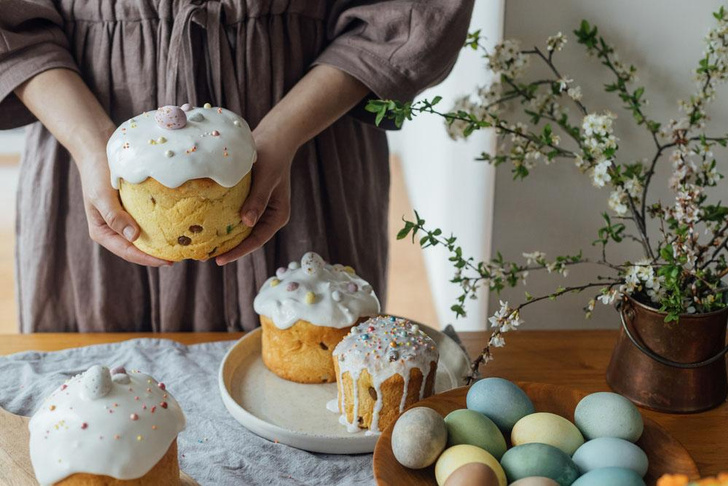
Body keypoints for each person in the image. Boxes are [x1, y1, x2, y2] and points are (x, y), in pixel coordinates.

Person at [0, 0, 474, 333]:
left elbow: (409, 10)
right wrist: (92, 146)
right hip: (84, 119)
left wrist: (280, 135)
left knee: (309, 378)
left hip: (308, 127)